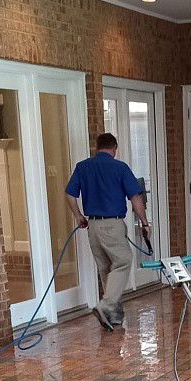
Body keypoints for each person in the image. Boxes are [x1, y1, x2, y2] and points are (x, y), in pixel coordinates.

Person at [65, 132, 152, 331]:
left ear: (97, 147)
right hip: (112, 224)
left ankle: (113, 316)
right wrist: (145, 222)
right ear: (114, 149)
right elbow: (135, 197)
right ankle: (107, 305)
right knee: (123, 261)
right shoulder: (119, 167)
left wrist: (78, 216)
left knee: (106, 268)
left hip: (93, 226)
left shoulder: (83, 167)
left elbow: (70, 194)